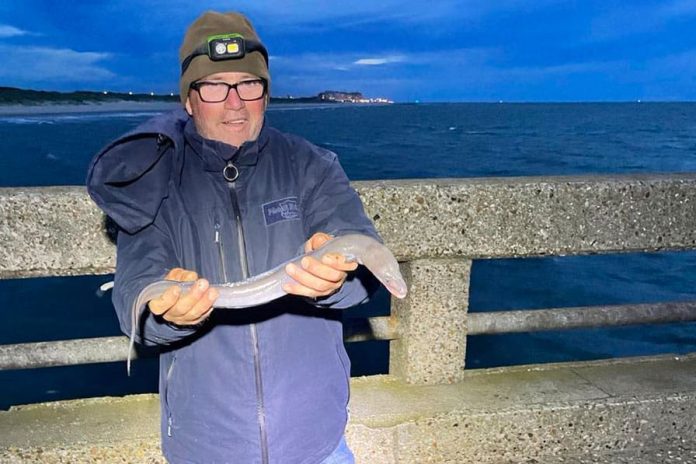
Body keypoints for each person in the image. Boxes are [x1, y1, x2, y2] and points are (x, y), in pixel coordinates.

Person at [86, 10, 381, 464]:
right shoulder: (155, 180)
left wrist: (338, 276)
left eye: (248, 84)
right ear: (189, 99)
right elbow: (134, 290)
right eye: (214, 86)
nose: (234, 102)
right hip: (205, 446)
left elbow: (358, 247)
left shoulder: (311, 165)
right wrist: (164, 308)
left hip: (317, 442)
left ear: (266, 93)